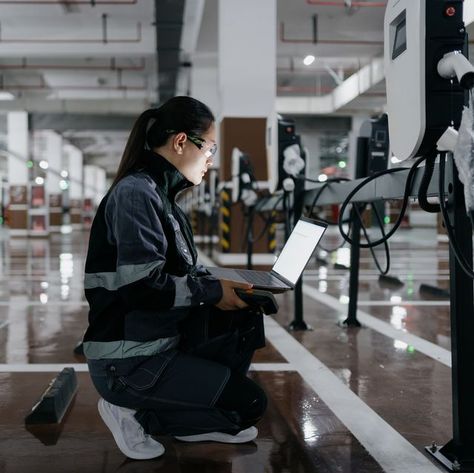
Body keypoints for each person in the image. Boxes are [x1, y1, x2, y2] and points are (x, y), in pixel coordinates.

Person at [83, 96, 268, 460]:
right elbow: (141, 288)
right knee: (247, 405)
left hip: (158, 343)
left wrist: (225, 284)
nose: (211, 159)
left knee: (246, 315)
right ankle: (132, 409)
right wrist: (212, 291)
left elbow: (184, 271)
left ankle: (187, 416)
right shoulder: (136, 194)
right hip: (129, 361)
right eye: (210, 147)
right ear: (181, 142)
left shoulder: (162, 197)